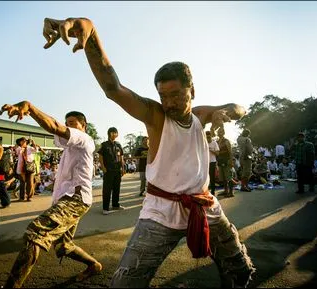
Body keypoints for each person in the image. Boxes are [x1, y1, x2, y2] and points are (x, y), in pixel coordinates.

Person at [41, 17, 255, 287]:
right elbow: (113, 87)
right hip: (160, 212)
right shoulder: (156, 116)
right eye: (163, 95)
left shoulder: (202, 115)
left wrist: (227, 112)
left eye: (176, 95)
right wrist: (90, 33)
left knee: (239, 270)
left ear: (193, 91)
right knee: (124, 284)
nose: (169, 103)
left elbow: (239, 107)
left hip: (204, 206)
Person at [0, 102, 102, 288]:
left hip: (75, 200)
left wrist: (29, 108)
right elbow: (55, 128)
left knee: (35, 234)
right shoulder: (69, 148)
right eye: (67, 122)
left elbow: (54, 126)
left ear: (83, 126)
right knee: (64, 246)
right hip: (67, 200)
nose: (68, 126)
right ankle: (94, 265)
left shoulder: (84, 139)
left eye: (72, 123)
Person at [98, 127, 126, 215]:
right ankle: (105, 208)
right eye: (113, 132)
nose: (114, 134)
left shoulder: (118, 145)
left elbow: (121, 157)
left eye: (116, 133)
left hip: (117, 170)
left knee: (116, 188)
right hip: (108, 170)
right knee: (107, 189)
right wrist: (103, 167)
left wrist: (123, 168)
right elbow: (101, 157)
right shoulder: (104, 145)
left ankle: (115, 205)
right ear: (109, 134)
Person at [217, 127, 234, 197]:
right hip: (220, 161)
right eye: (218, 132)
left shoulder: (226, 141)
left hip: (227, 161)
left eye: (221, 132)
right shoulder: (217, 141)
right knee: (223, 178)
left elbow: (230, 152)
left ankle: (231, 192)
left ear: (223, 133)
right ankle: (226, 191)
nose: (219, 133)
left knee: (229, 177)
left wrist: (231, 161)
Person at [205, 131, 219, 195]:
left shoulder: (214, 143)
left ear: (211, 136)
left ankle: (213, 191)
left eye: (209, 136)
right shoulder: (204, 143)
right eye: (206, 137)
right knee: (205, 178)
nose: (208, 138)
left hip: (212, 162)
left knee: (212, 177)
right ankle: (206, 191)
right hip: (205, 163)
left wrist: (211, 150)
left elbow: (217, 153)